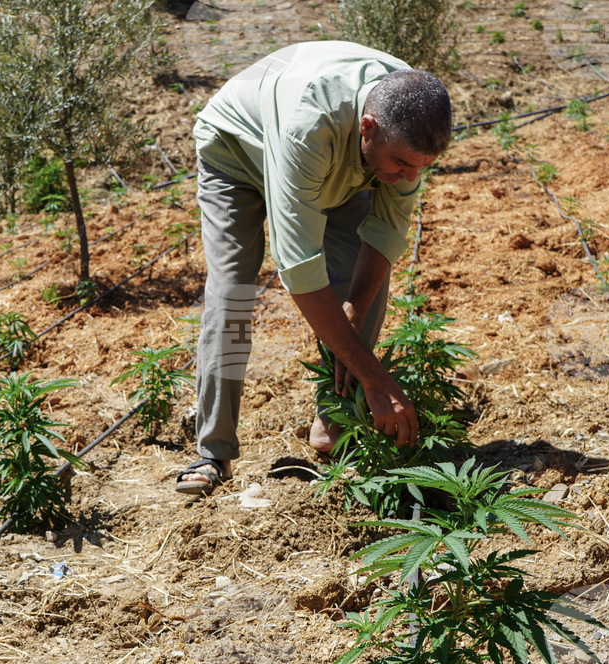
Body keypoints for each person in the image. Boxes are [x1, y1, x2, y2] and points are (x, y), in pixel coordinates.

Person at [175, 40, 452, 495]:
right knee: (234, 290)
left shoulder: (407, 112)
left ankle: (334, 427)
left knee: (363, 287)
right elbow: (300, 270)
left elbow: (385, 234)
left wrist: (354, 313)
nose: (409, 178)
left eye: (422, 168)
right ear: (368, 127)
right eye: (402, 163)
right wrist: (373, 375)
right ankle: (214, 452)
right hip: (238, 151)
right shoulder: (311, 123)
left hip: (343, 165)